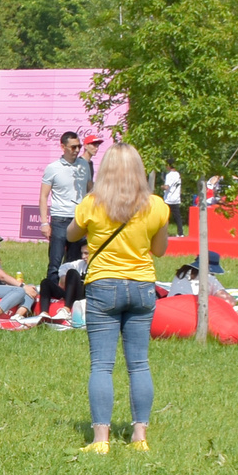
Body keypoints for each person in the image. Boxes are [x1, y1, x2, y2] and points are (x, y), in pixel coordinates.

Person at [71, 142, 172, 452]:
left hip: (104, 286)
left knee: (101, 365)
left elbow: (72, 235)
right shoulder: (156, 206)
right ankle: (139, 438)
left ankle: (101, 441)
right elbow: (159, 250)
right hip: (142, 287)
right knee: (139, 364)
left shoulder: (92, 203)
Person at [41, 131, 91, 286]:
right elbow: (43, 196)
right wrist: (44, 223)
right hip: (60, 219)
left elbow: (90, 191)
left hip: (79, 219)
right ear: (62, 147)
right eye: (73, 147)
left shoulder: (84, 165)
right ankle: (52, 292)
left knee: (75, 260)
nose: (77, 150)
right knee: (55, 260)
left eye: (79, 146)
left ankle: (70, 292)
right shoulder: (52, 168)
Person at [163, 164, 186, 237]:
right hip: (176, 198)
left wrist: (162, 187)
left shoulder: (169, 175)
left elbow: (166, 187)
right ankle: (180, 233)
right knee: (177, 217)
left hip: (169, 199)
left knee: (165, 217)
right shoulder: (178, 174)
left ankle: (164, 233)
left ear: (169, 166)